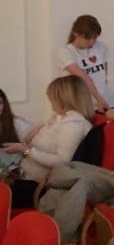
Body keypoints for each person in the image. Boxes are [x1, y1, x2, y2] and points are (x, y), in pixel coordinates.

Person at [2, 76, 94, 209]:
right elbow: (32, 141)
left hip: (40, 185)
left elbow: (62, 162)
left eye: (52, 98)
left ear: (62, 99)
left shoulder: (73, 125)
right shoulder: (59, 119)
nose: (51, 103)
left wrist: (26, 150)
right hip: (21, 175)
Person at [57, 14, 114, 111]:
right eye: (87, 38)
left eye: (95, 38)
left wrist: (103, 98)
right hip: (84, 104)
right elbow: (84, 78)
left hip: (105, 99)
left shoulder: (101, 47)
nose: (92, 42)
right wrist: (99, 99)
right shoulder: (66, 52)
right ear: (76, 33)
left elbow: (104, 76)